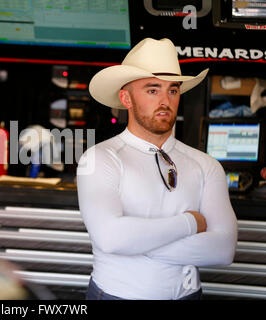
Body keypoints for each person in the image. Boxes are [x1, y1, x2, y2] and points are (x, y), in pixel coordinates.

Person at [76, 38, 238, 300]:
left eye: (172, 91)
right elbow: (111, 238)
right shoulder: (99, 158)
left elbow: (222, 250)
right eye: (153, 90)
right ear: (126, 98)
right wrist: (190, 222)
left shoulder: (206, 165)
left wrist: (138, 244)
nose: (165, 100)